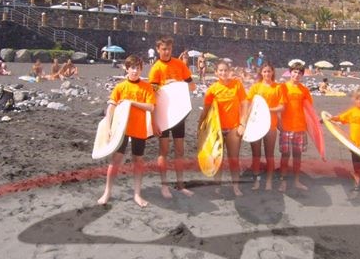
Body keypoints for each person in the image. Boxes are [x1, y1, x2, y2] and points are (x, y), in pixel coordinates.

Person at [99, 54, 158, 208]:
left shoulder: (146, 87)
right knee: (116, 160)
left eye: (138, 68)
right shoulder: (120, 87)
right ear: (126, 68)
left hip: (139, 129)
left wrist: (132, 102)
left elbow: (151, 107)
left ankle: (137, 194)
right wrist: (108, 127)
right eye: (132, 68)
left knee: (138, 161)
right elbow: (111, 107)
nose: (135, 71)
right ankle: (107, 192)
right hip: (121, 130)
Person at [147, 37, 196, 198]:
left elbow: (192, 86)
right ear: (158, 50)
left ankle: (180, 185)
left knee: (180, 150)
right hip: (164, 115)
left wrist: (178, 84)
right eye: (163, 49)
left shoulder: (179, 64)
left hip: (178, 113)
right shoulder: (156, 69)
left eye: (169, 49)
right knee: (164, 151)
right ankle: (164, 186)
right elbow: (152, 95)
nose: (166, 52)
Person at [201, 59, 249, 197]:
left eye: (225, 70)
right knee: (218, 159)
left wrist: (242, 123)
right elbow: (206, 109)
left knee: (234, 159)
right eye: (220, 70)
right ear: (216, 73)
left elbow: (245, 103)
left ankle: (236, 186)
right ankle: (217, 186)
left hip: (234, 128)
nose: (223, 73)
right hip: (217, 129)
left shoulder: (237, 85)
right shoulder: (212, 89)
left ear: (230, 71)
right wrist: (201, 126)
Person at [328, 87, 360, 204]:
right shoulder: (352, 111)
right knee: (356, 169)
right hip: (354, 147)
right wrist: (328, 119)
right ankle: (356, 186)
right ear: (354, 99)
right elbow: (341, 118)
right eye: (358, 99)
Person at [246, 63, 286, 191]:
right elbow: (249, 105)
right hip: (255, 125)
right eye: (264, 71)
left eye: (269, 71)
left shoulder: (278, 87)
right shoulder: (256, 87)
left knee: (269, 155)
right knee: (256, 154)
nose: (267, 74)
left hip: (271, 125)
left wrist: (267, 109)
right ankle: (256, 179)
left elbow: (282, 106)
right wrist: (245, 122)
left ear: (273, 72)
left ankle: (269, 181)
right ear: (261, 73)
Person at [279, 62, 315, 192]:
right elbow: (279, 107)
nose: (296, 75)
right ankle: (283, 181)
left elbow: (309, 110)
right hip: (286, 128)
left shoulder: (304, 90)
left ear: (302, 75)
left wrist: (315, 124)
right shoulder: (283, 87)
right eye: (294, 72)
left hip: (300, 128)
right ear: (290, 72)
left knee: (297, 156)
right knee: (285, 156)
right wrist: (279, 124)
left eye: (299, 73)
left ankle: (296, 181)